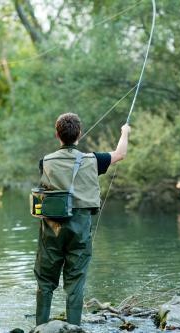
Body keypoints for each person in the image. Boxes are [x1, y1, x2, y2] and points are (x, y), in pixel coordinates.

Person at [34, 112, 130, 326]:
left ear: (57, 134)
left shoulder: (45, 161)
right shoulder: (94, 160)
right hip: (80, 227)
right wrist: (125, 132)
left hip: (51, 228)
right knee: (75, 282)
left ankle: (40, 328)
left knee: (45, 282)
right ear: (80, 133)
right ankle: (73, 328)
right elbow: (120, 153)